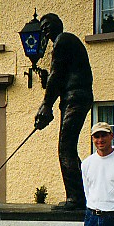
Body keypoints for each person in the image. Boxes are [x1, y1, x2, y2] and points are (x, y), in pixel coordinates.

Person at [34, 13, 93, 210]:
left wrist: (46, 105)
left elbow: (56, 75)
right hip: (72, 98)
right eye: (42, 27)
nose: (45, 29)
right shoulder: (64, 41)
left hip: (76, 97)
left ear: (59, 24)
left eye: (48, 25)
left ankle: (76, 198)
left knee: (65, 148)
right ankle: (81, 195)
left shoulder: (63, 40)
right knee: (69, 149)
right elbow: (57, 79)